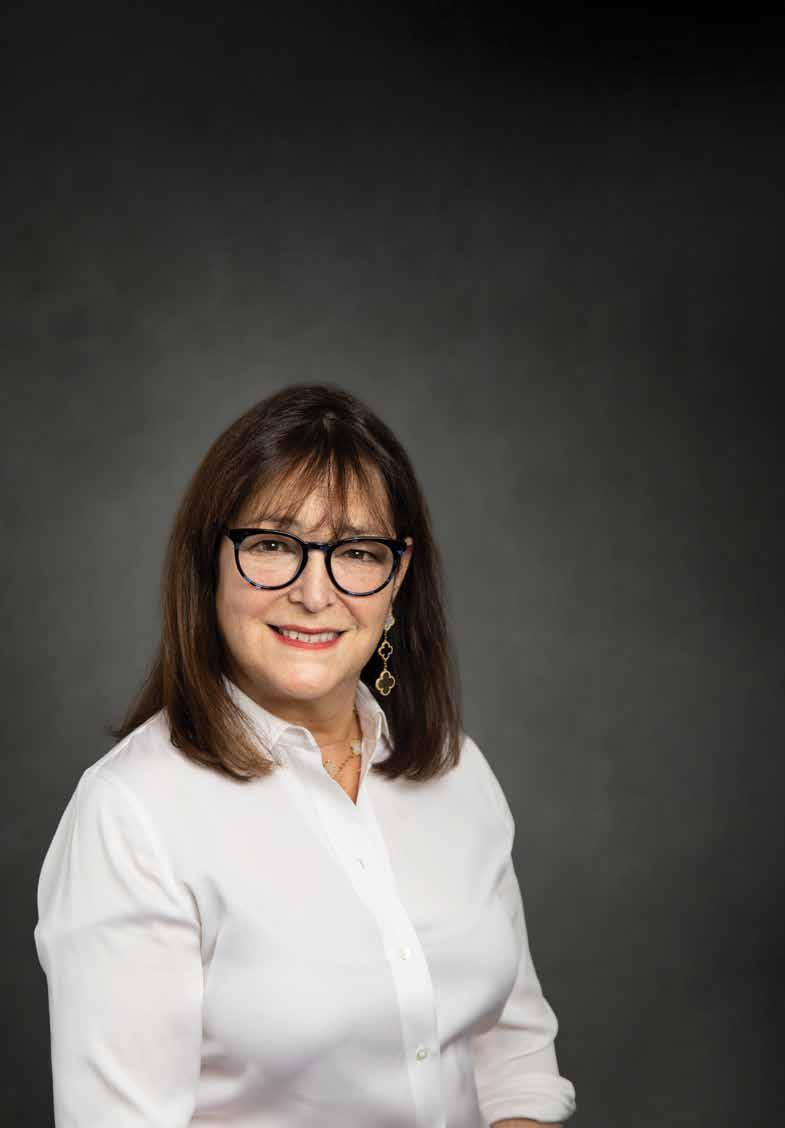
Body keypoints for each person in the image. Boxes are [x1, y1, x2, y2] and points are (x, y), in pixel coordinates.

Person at [33, 383, 577, 1127]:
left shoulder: (456, 770)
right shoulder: (131, 814)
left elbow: (512, 1056)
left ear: (398, 577)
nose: (315, 594)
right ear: (211, 562)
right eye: (273, 545)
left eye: (357, 552)